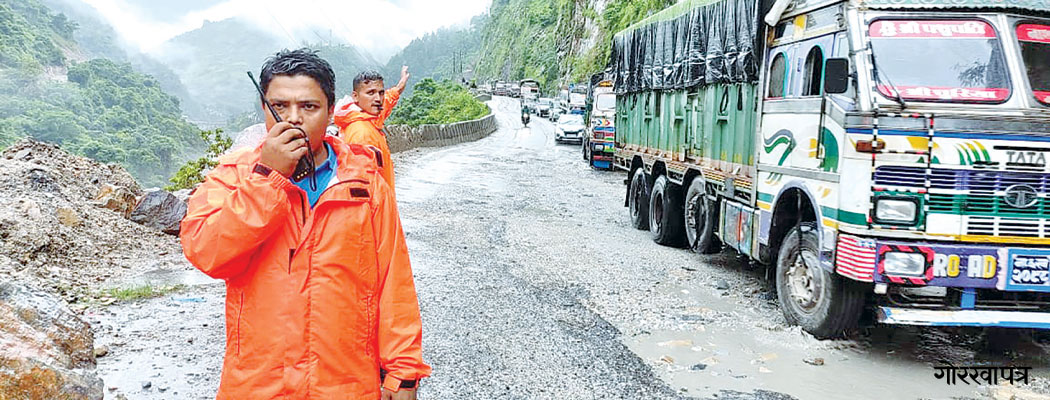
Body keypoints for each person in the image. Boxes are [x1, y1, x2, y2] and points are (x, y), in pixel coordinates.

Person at [180, 49, 430, 400]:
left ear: (331, 111)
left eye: (309, 107)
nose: (293, 119)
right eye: (279, 106)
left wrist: (403, 372)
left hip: (345, 383)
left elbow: (394, 279)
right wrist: (267, 179)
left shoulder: (365, 183)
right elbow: (208, 253)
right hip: (258, 385)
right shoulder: (234, 177)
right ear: (263, 108)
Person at [334, 67, 410, 187]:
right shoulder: (361, 134)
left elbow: (387, 101)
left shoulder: (366, 116)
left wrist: (400, 86)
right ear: (355, 96)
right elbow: (362, 188)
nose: (378, 99)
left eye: (381, 93)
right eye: (370, 93)